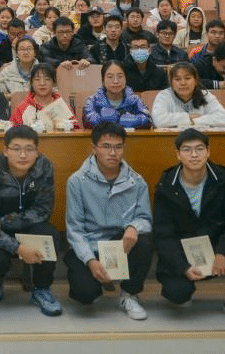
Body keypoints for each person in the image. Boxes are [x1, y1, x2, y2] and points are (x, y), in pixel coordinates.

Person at [152, 128, 225, 327]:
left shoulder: (223, 178)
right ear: (178, 154)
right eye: (187, 150)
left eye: (199, 149)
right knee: (177, 294)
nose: (194, 155)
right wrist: (183, 267)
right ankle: (185, 287)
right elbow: (162, 234)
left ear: (208, 152)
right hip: (184, 251)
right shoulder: (166, 185)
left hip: (216, 246)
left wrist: (224, 252)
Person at [65, 122, 154, 320]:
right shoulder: (77, 181)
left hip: (121, 243)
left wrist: (133, 227)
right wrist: (90, 260)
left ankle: (129, 294)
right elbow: (75, 230)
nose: (113, 153)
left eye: (118, 147)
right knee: (85, 295)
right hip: (91, 244)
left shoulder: (137, 181)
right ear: (94, 148)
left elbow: (145, 218)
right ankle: (96, 282)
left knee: (145, 241)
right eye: (106, 146)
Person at [0, 125, 62, 316]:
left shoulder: (44, 167)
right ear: (6, 151)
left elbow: (43, 210)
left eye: (29, 149)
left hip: (27, 226)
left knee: (49, 235)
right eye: (16, 149)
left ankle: (41, 289)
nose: (23, 155)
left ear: (37, 152)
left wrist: (5, 222)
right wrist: (18, 248)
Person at [151, 62, 225, 129]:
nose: (183, 83)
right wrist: (188, 118)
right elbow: (159, 121)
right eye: (177, 79)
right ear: (171, 83)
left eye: (187, 78)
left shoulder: (205, 95)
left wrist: (195, 121)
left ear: (196, 80)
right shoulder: (164, 96)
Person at [83, 61, 151, 130]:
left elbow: (148, 120)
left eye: (120, 76)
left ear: (126, 79)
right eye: (110, 77)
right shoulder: (93, 101)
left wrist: (133, 121)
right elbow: (87, 122)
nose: (115, 81)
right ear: (103, 81)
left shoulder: (135, 100)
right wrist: (103, 119)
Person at [10, 62, 79, 130]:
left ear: (54, 83)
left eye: (47, 79)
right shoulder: (21, 109)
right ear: (31, 83)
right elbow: (13, 133)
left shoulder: (63, 107)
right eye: (37, 79)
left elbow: (76, 131)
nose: (42, 83)